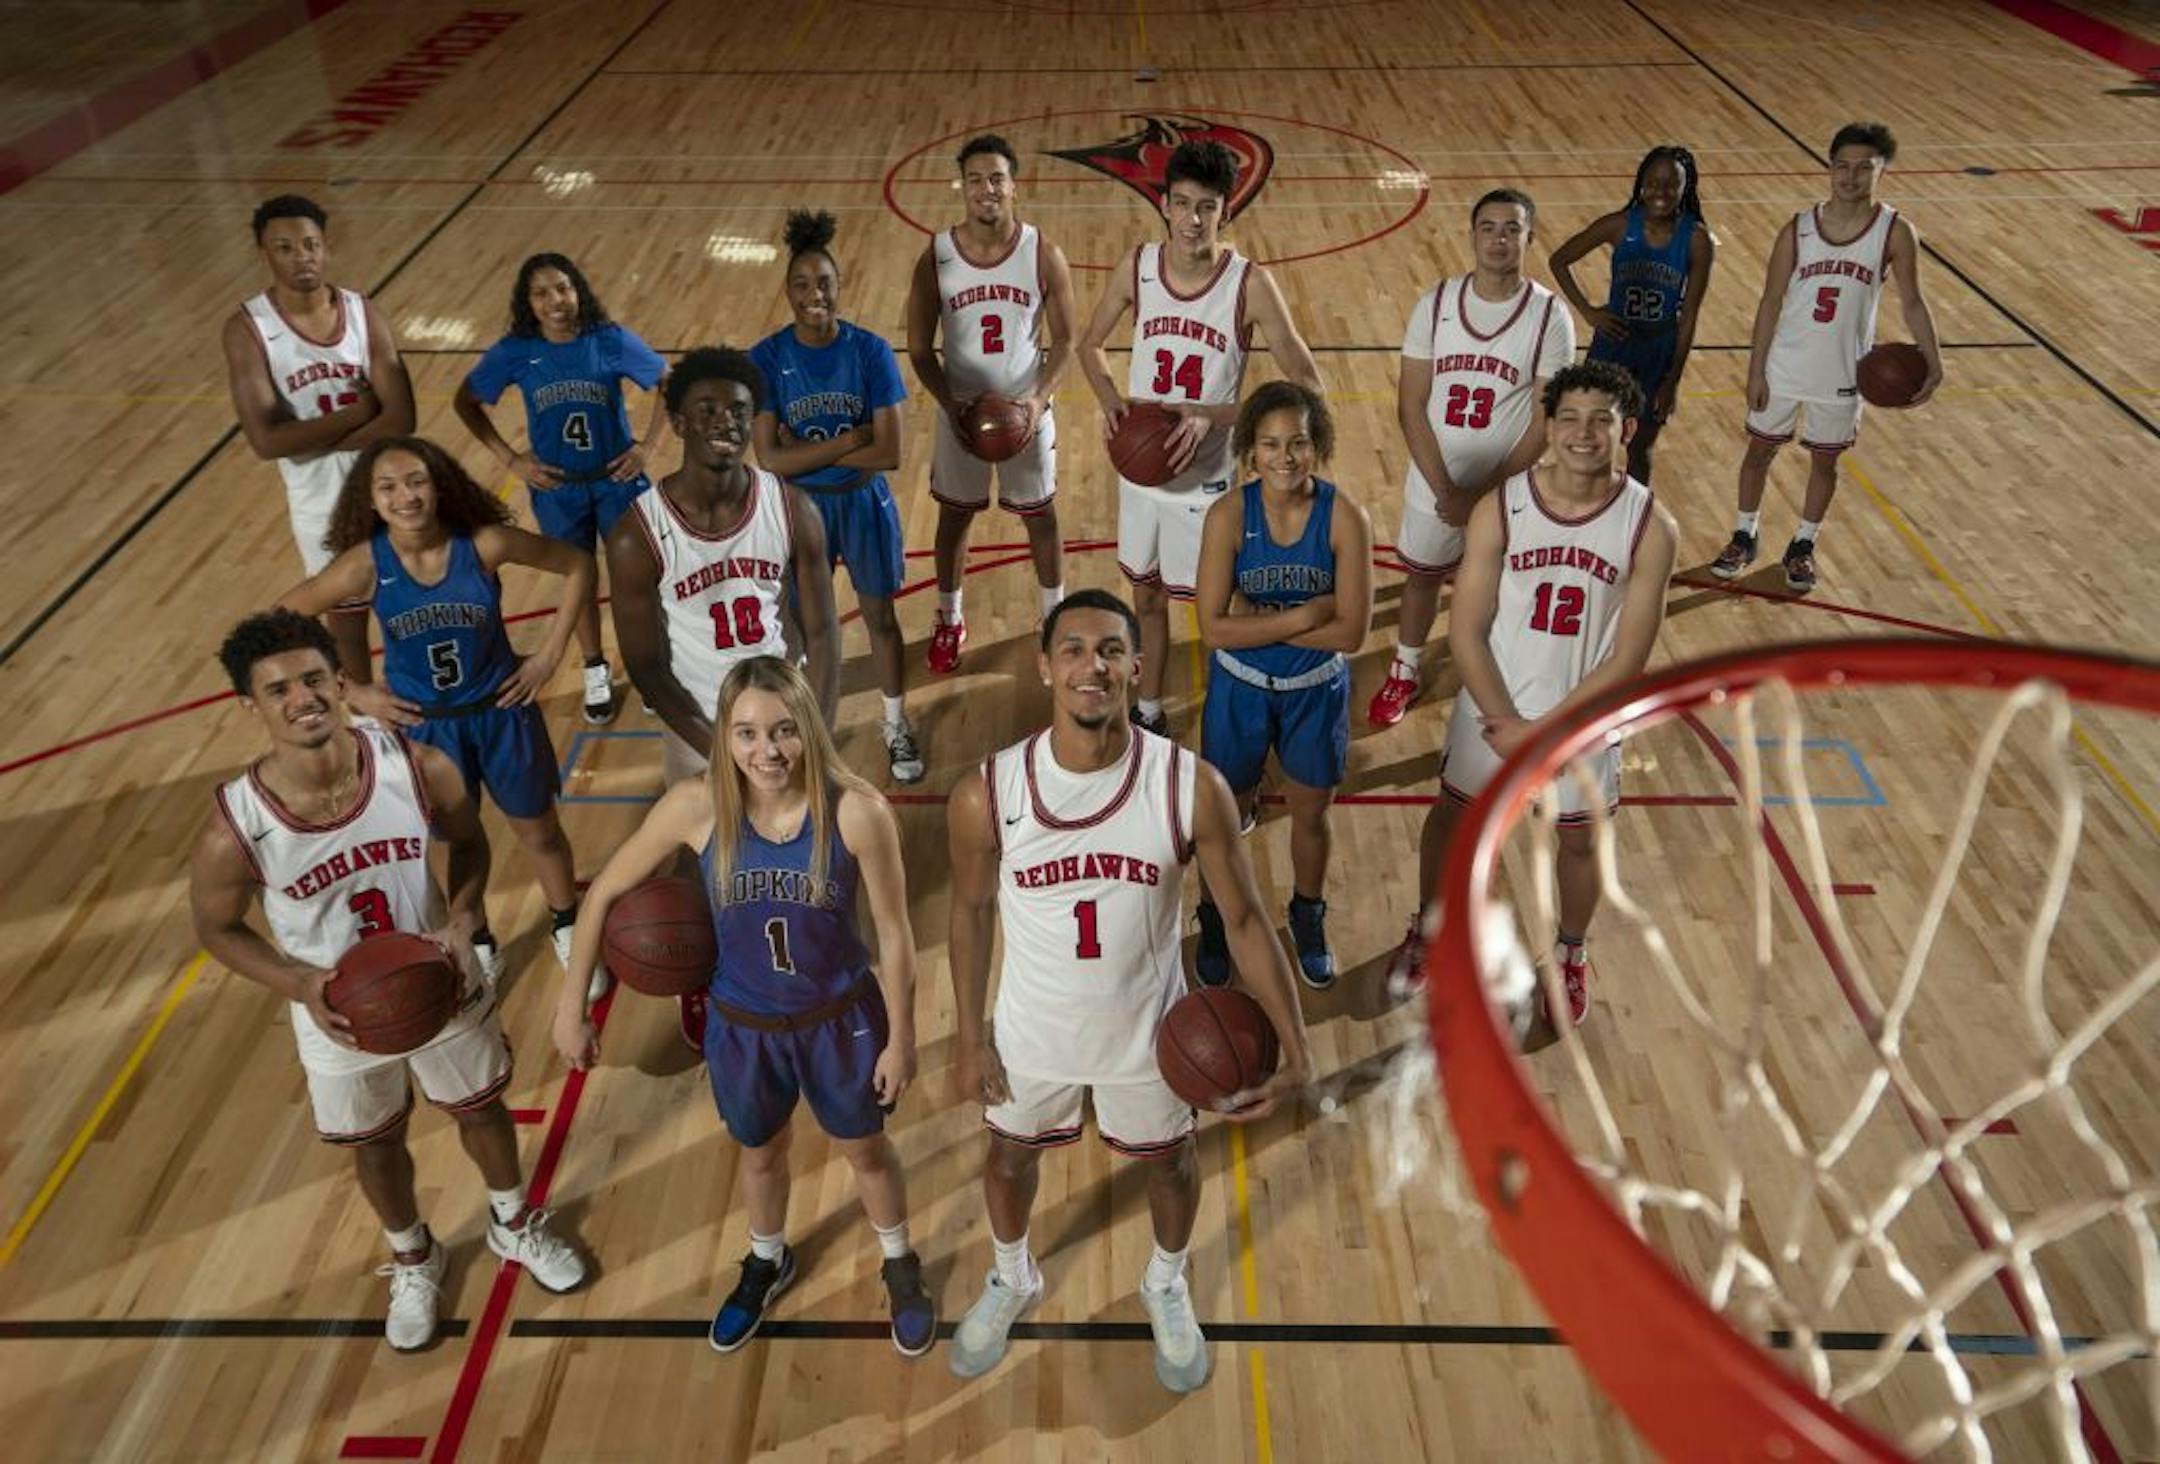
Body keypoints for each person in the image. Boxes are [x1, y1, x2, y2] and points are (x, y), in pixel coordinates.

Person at [945, 589, 1313, 1392]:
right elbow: (970, 913)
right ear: (1044, 667)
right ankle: (1012, 1275)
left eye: (1111, 650)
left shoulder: (1189, 785)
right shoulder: (990, 792)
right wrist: (971, 1038)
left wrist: (1298, 1047)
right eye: (1073, 649)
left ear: (1137, 666)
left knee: (1173, 1166)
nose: (1093, 666)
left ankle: (1165, 1280)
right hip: (1031, 1029)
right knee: (1007, 1162)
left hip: (1150, 1034)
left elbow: (1246, 920)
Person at [189, 610, 586, 1353]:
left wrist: (464, 920)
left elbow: (469, 845)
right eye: (278, 690)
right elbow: (216, 929)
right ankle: (414, 1256)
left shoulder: (414, 764)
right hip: (336, 1010)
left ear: (340, 680)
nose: (301, 698)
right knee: (376, 1142)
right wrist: (298, 983)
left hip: (439, 976)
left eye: (313, 679)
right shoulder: (236, 827)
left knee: (482, 1109)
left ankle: (512, 1221)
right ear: (251, 706)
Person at [553, 656, 935, 1357]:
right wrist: (569, 1007)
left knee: (865, 1150)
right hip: (745, 1027)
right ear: (724, 738)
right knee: (760, 1156)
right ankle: (767, 1259)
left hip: (839, 1021)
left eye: (785, 731)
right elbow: (603, 894)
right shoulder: (696, 807)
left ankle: (900, 1260)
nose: (768, 752)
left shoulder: (857, 812)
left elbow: (896, 935)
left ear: (810, 731)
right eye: (749, 734)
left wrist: (902, 1039)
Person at [1385, 362, 1678, 1032]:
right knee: (1454, 820)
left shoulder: (1649, 527)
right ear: (1548, 426)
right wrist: (1506, 721)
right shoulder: (1503, 506)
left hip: (1583, 720)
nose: (1582, 433)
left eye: (1600, 420)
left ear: (1626, 430)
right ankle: (1431, 927)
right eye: (1569, 418)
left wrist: (1548, 730)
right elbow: (1465, 629)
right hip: (1495, 708)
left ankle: (1570, 952)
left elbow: (1627, 658)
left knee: (1579, 844)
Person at [276, 436, 597, 998]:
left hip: (501, 712)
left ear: (440, 484)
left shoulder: (484, 543)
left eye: (417, 481)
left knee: (539, 831)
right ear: (370, 500)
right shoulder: (363, 566)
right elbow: (283, 618)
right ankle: (475, 938)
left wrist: (548, 656)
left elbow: (576, 564)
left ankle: (566, 921)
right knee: (452, 838)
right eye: (389, 486)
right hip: (426, 727)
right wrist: (354, 691)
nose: (406, 496)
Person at [607, 346, 840, 1049]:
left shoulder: (790, 507)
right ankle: (702, 975)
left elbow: (825, 626)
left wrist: (815, 728)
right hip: (698, 718)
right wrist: (719, 749)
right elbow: (646, 666)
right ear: (676, 421)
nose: (724, 424)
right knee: (701, 857)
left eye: (738, 412)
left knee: (805, 844)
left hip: (785, 711)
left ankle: (806, 951)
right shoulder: (636, 533)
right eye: (706, 411)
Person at [1078, 141, 1323, 737]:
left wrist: (1213, 414)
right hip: (1142, 474)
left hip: (1206, 483)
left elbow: (1308, 388)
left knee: (1220, 617)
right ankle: (1151, 710)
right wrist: (1112, 401)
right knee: (1147, 600)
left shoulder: (1248, 284)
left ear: (1226, 213)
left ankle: (1237, 721)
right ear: (1163, 204)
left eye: (1206, 207)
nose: (1192, 220)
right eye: (1182, 204)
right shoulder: (1137, 266)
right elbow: (1088, 345)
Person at [1370, 187, 1577, 729]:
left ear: (1529, 237)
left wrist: (1482, 496)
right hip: (1435, 486)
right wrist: (1447, 493)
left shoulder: (1550, 317)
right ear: (1472, 236)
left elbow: (1545, 421)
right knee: (1420, 580)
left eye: (1512, 229)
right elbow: (1410, 405)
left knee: (1499, 590)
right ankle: (1405, 667)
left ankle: (1492, 676)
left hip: (1510, 492)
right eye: (1488, 227)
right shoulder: (1436, 304)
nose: (1499, 239)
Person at [1192, 381, 1372, 991]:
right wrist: (1300, 618)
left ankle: (1307, 914)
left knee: (1311, 814)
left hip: (1315, 691)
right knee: (1224, 814)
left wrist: (1257, 624)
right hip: (1239, 687)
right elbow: (1213, 629)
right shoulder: (1228, 516)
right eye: (1270, 444)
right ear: (1250, 450)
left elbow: (1351, 634)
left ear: (1316, 443)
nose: (1285, 457)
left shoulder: (1345, 517)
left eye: (1297, 442)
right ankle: (1216, 915)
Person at [1713, 121, 1942, 595]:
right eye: (1842, 167)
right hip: (1785, 367)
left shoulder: (1895, 232)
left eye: (1864, 168)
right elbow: (1770, 301)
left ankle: (1803, 544)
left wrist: (1933, 360)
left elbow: (1913, 302)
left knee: (1825, 465)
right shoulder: (1797, 229)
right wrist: (1755, 369)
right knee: (1758, 453)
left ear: (1882, 172)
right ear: (1829, 169)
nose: (1851, 177)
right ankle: (1744, 534)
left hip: (1843, 373)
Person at [454, 252, 669, 723]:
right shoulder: (516, 351)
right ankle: (594, 667)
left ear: (579, 291)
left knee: (637, 579)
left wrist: (648, 447)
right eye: (542, 292)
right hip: (558, 488)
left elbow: (668, 382)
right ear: (527, 302)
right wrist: (510, 459)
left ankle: (648, 667)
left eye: (564, 288)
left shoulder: (607, 340)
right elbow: (465, 401)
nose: (556, 300)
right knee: (580, 579)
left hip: (616, 483)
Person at [749, 211, 921, 784]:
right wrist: (853, 438)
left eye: (824, 283)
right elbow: (769, 459)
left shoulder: (870, 352)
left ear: (839, 287)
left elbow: (890, 453)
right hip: (801, 511)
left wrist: (815, 450)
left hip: (862, 502)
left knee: (880, 618)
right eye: (802, 285)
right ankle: (798, 731)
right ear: (787, 292)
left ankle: (895, 724)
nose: (814, 294)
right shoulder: (767, 358)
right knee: (799, 627)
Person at [905, 133, 1079, 671]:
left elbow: (1067, 340)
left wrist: (1035, 403)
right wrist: (949, 403)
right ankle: (949, 617)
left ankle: (1052, 618)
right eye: (976, 179)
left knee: (1042, 518)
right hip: (960, 414)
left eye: (997, 178)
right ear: (963, 189)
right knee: (954, 519)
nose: (987, 189)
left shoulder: (1042, 252)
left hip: (1026, 410)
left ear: (1014, 187)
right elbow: (917, 348)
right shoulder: (936, 257)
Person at [224, 195, 416, 681]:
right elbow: (265, 443)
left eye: (310, 244)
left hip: (385, 487)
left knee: (410, 606)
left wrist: (309, 437)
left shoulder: (361, 311)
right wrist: (359, 411)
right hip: (319, 500)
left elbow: (401, 419)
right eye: (285, 247)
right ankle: (370, 723)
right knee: (346, 622)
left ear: (326, 248)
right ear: (264, 254)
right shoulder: (249, 329)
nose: (301, 256)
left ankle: (423, 696)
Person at [1549, 146, 1715, 483]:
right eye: (1653, 183)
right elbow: (1559, 259)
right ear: (1641, 184)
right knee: (1592, 438)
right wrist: (1589, 312)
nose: (1661, 192)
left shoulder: (1697, 240)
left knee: (1640, 446)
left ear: (1686, 188)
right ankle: (1588, 511)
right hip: (1613, 345)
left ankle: (1634, 518)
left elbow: (1690, 317)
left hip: (1658, 349)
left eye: (1671, 184)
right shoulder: (1620, 224)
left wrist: (1673, 379)